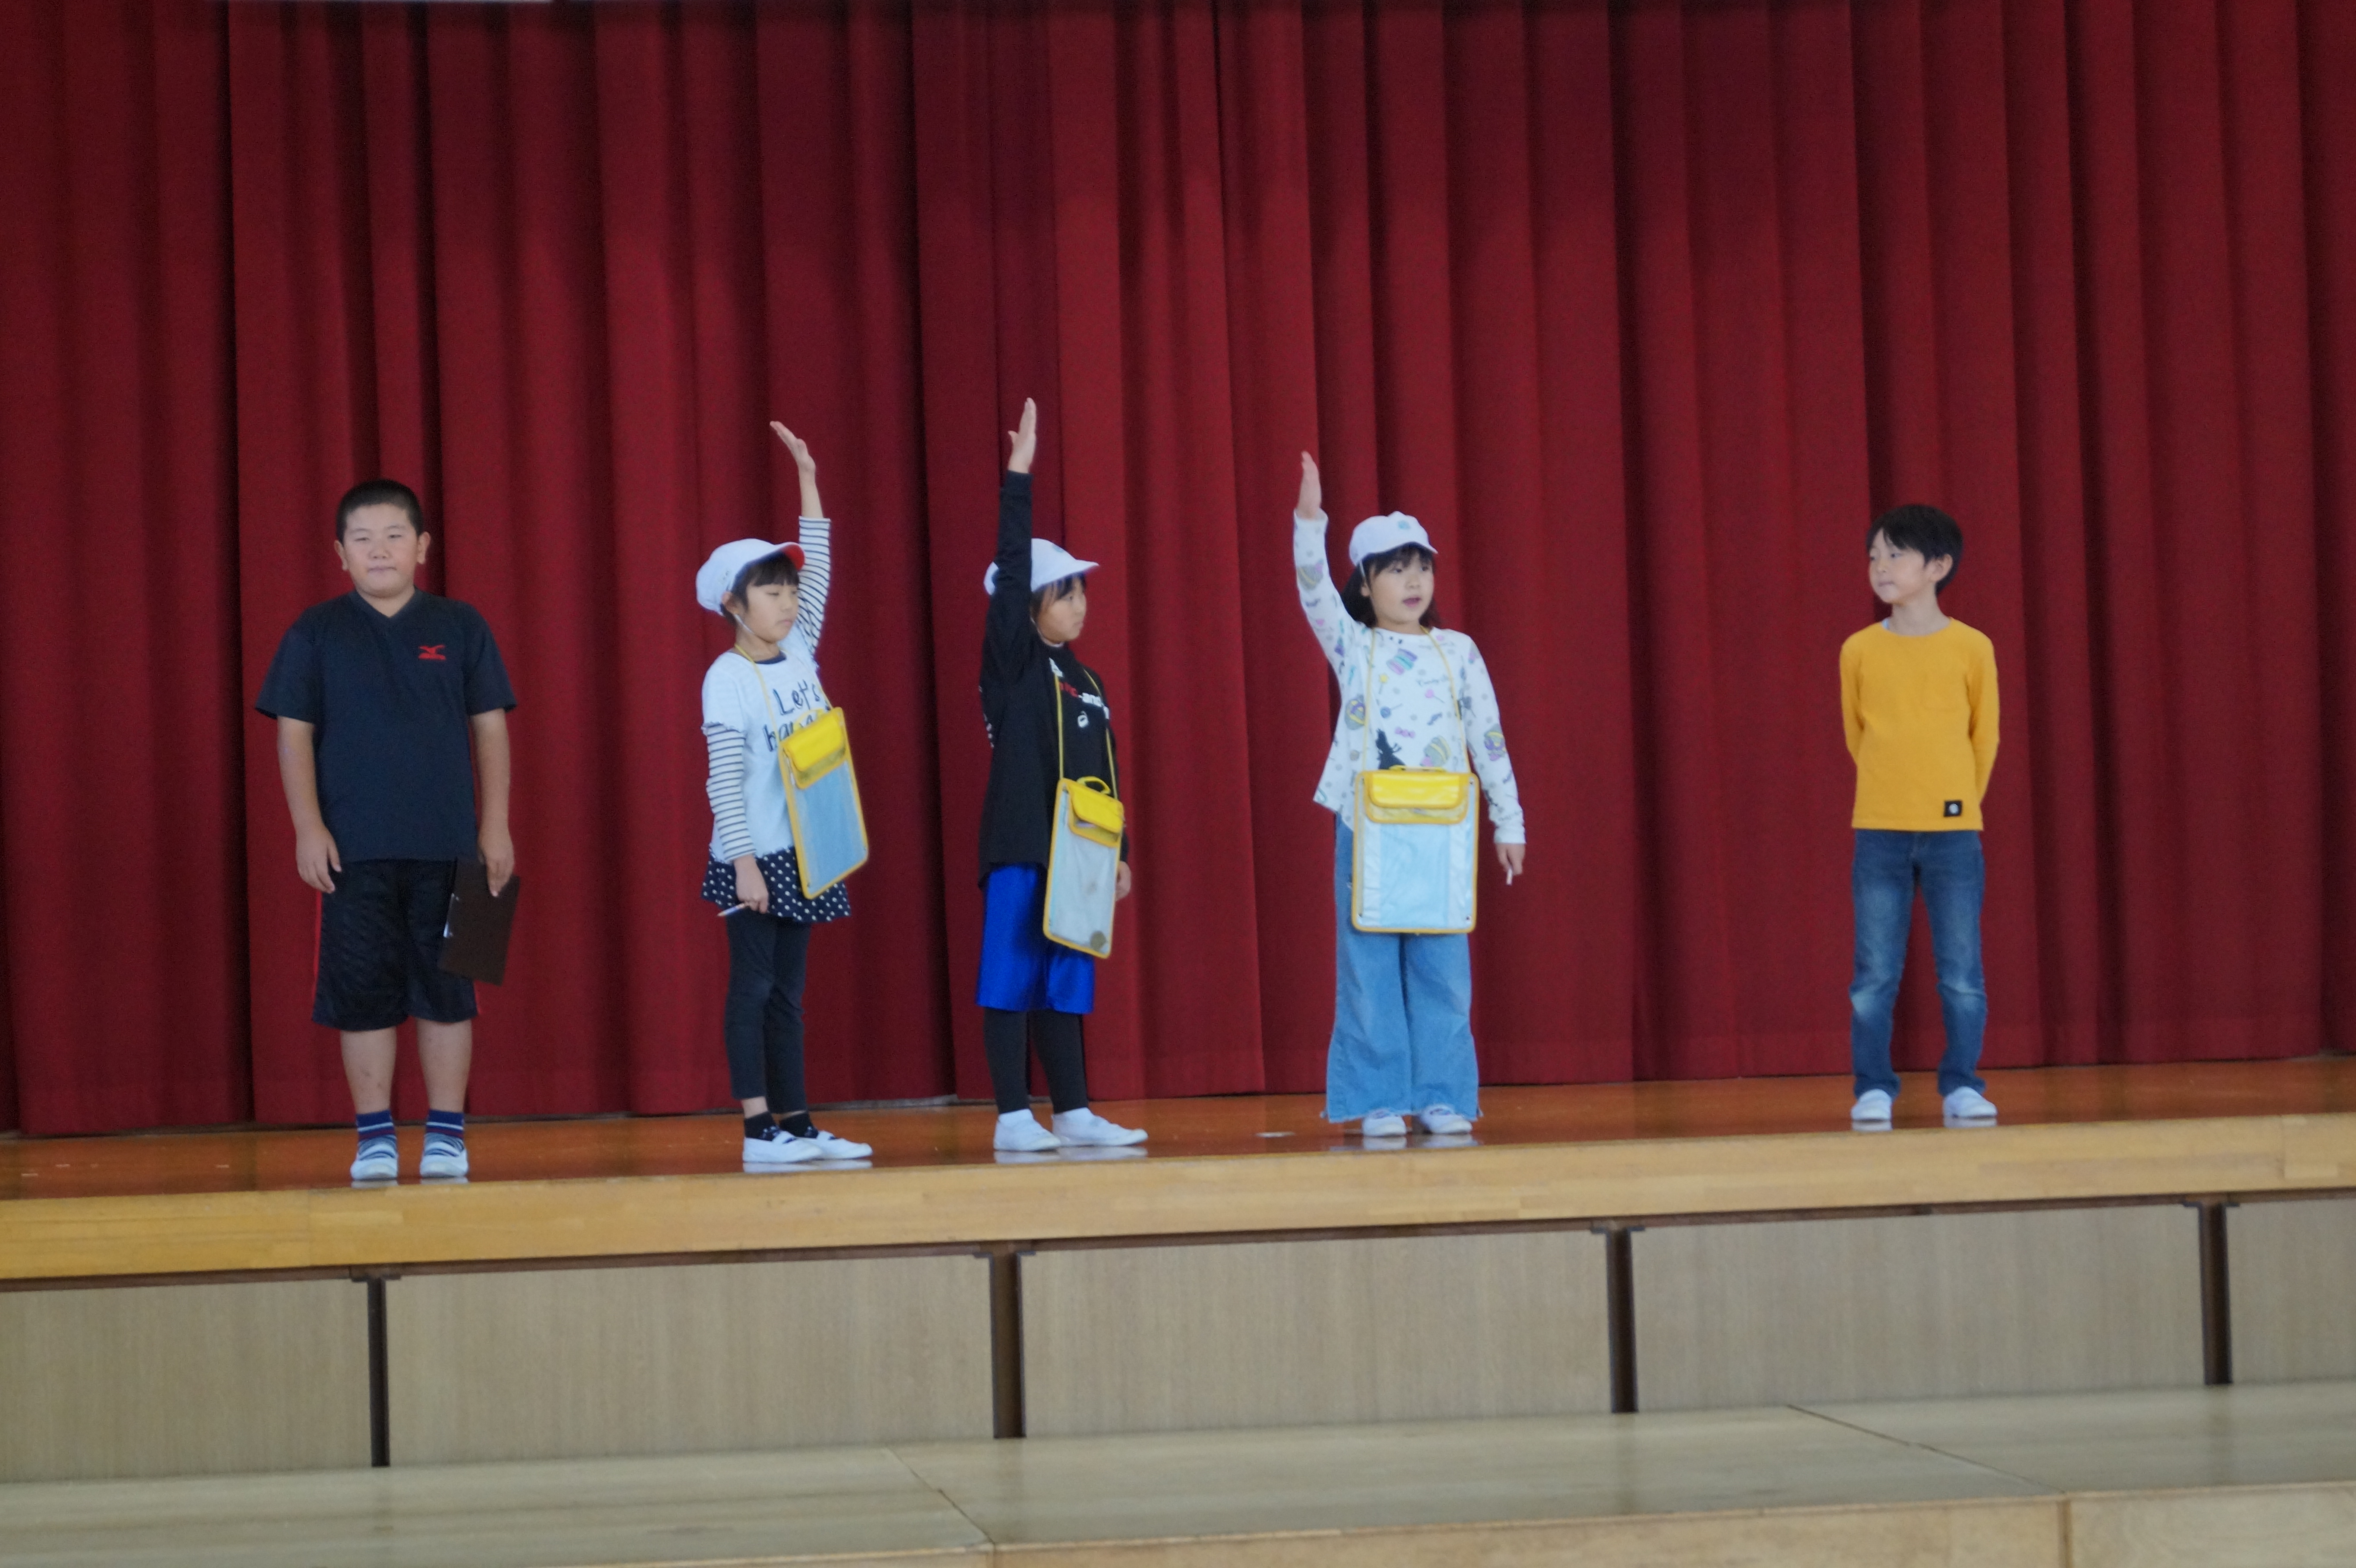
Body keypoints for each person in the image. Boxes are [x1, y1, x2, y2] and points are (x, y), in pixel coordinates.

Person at [257, 479, 516, 1184]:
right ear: (340, 554)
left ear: (422, 547)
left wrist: (496, 827)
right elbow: (293, 733)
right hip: (352, 852)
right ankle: (374, 1137)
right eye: (363, 539)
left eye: (395, 536)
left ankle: (447, 1136)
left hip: (457, 849)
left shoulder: (462, 624)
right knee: (361, 994)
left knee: (453, 993)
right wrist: (308, 828)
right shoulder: (315, 631)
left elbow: (491, 728)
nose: (379, 551)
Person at [1292, 454, 1525, 1139]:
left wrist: (1509, 821)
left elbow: (1488, 737)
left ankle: (1442, 1094)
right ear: (1366, 585)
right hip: (1369, 825)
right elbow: (1313, 592)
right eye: (1395, 569)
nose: (1414, 580)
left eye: (1422, 566)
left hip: (1443, 828)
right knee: (1368, 966)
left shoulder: (1459, 651)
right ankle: (1379, 1098)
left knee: (1442, 968)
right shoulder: (1355, 645)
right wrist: (1310, 523)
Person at [695, 422, 874, 1169]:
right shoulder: (726, 679)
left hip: (807, 850)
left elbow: (821, 564)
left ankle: (798, 1124)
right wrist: (743, 864)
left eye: (789, 589)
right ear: (733, 604)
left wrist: (808, 478)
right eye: (771, 591)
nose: (789, 600)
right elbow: (724, 779)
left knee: (790, 995)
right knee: (754, 988)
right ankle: (758, 1131)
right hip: (754, 855)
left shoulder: (798, 651)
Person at [974, 399, 1146, 1153]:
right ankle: (1014, 1115)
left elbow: (1105, 771)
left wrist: (1120, 852)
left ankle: (1073, 1110)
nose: (1080, 603)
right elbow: (1012, 571)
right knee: (1011, 974)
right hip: (1023, 846)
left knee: (1066, 980)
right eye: (1066, 591)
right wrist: (1019, 478)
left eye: (1082, 590)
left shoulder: (1089, 680)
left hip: (1079, 852)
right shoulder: (1013, 665)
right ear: (1031, 605)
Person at [1840, 503, 2001, 1127]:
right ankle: (1873, 1088)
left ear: (1938, 566)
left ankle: (1962, 1084)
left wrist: (1955, 799)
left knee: (1961, 973)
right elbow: (1857, 735)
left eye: (1895, 554)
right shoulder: (1859, 650)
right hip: (1879, 829)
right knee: (1874, 975)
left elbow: (1984, 738)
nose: (1880, 566)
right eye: (1874, 555)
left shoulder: (1972, 647)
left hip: (1953, 834)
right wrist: (1893, 792)